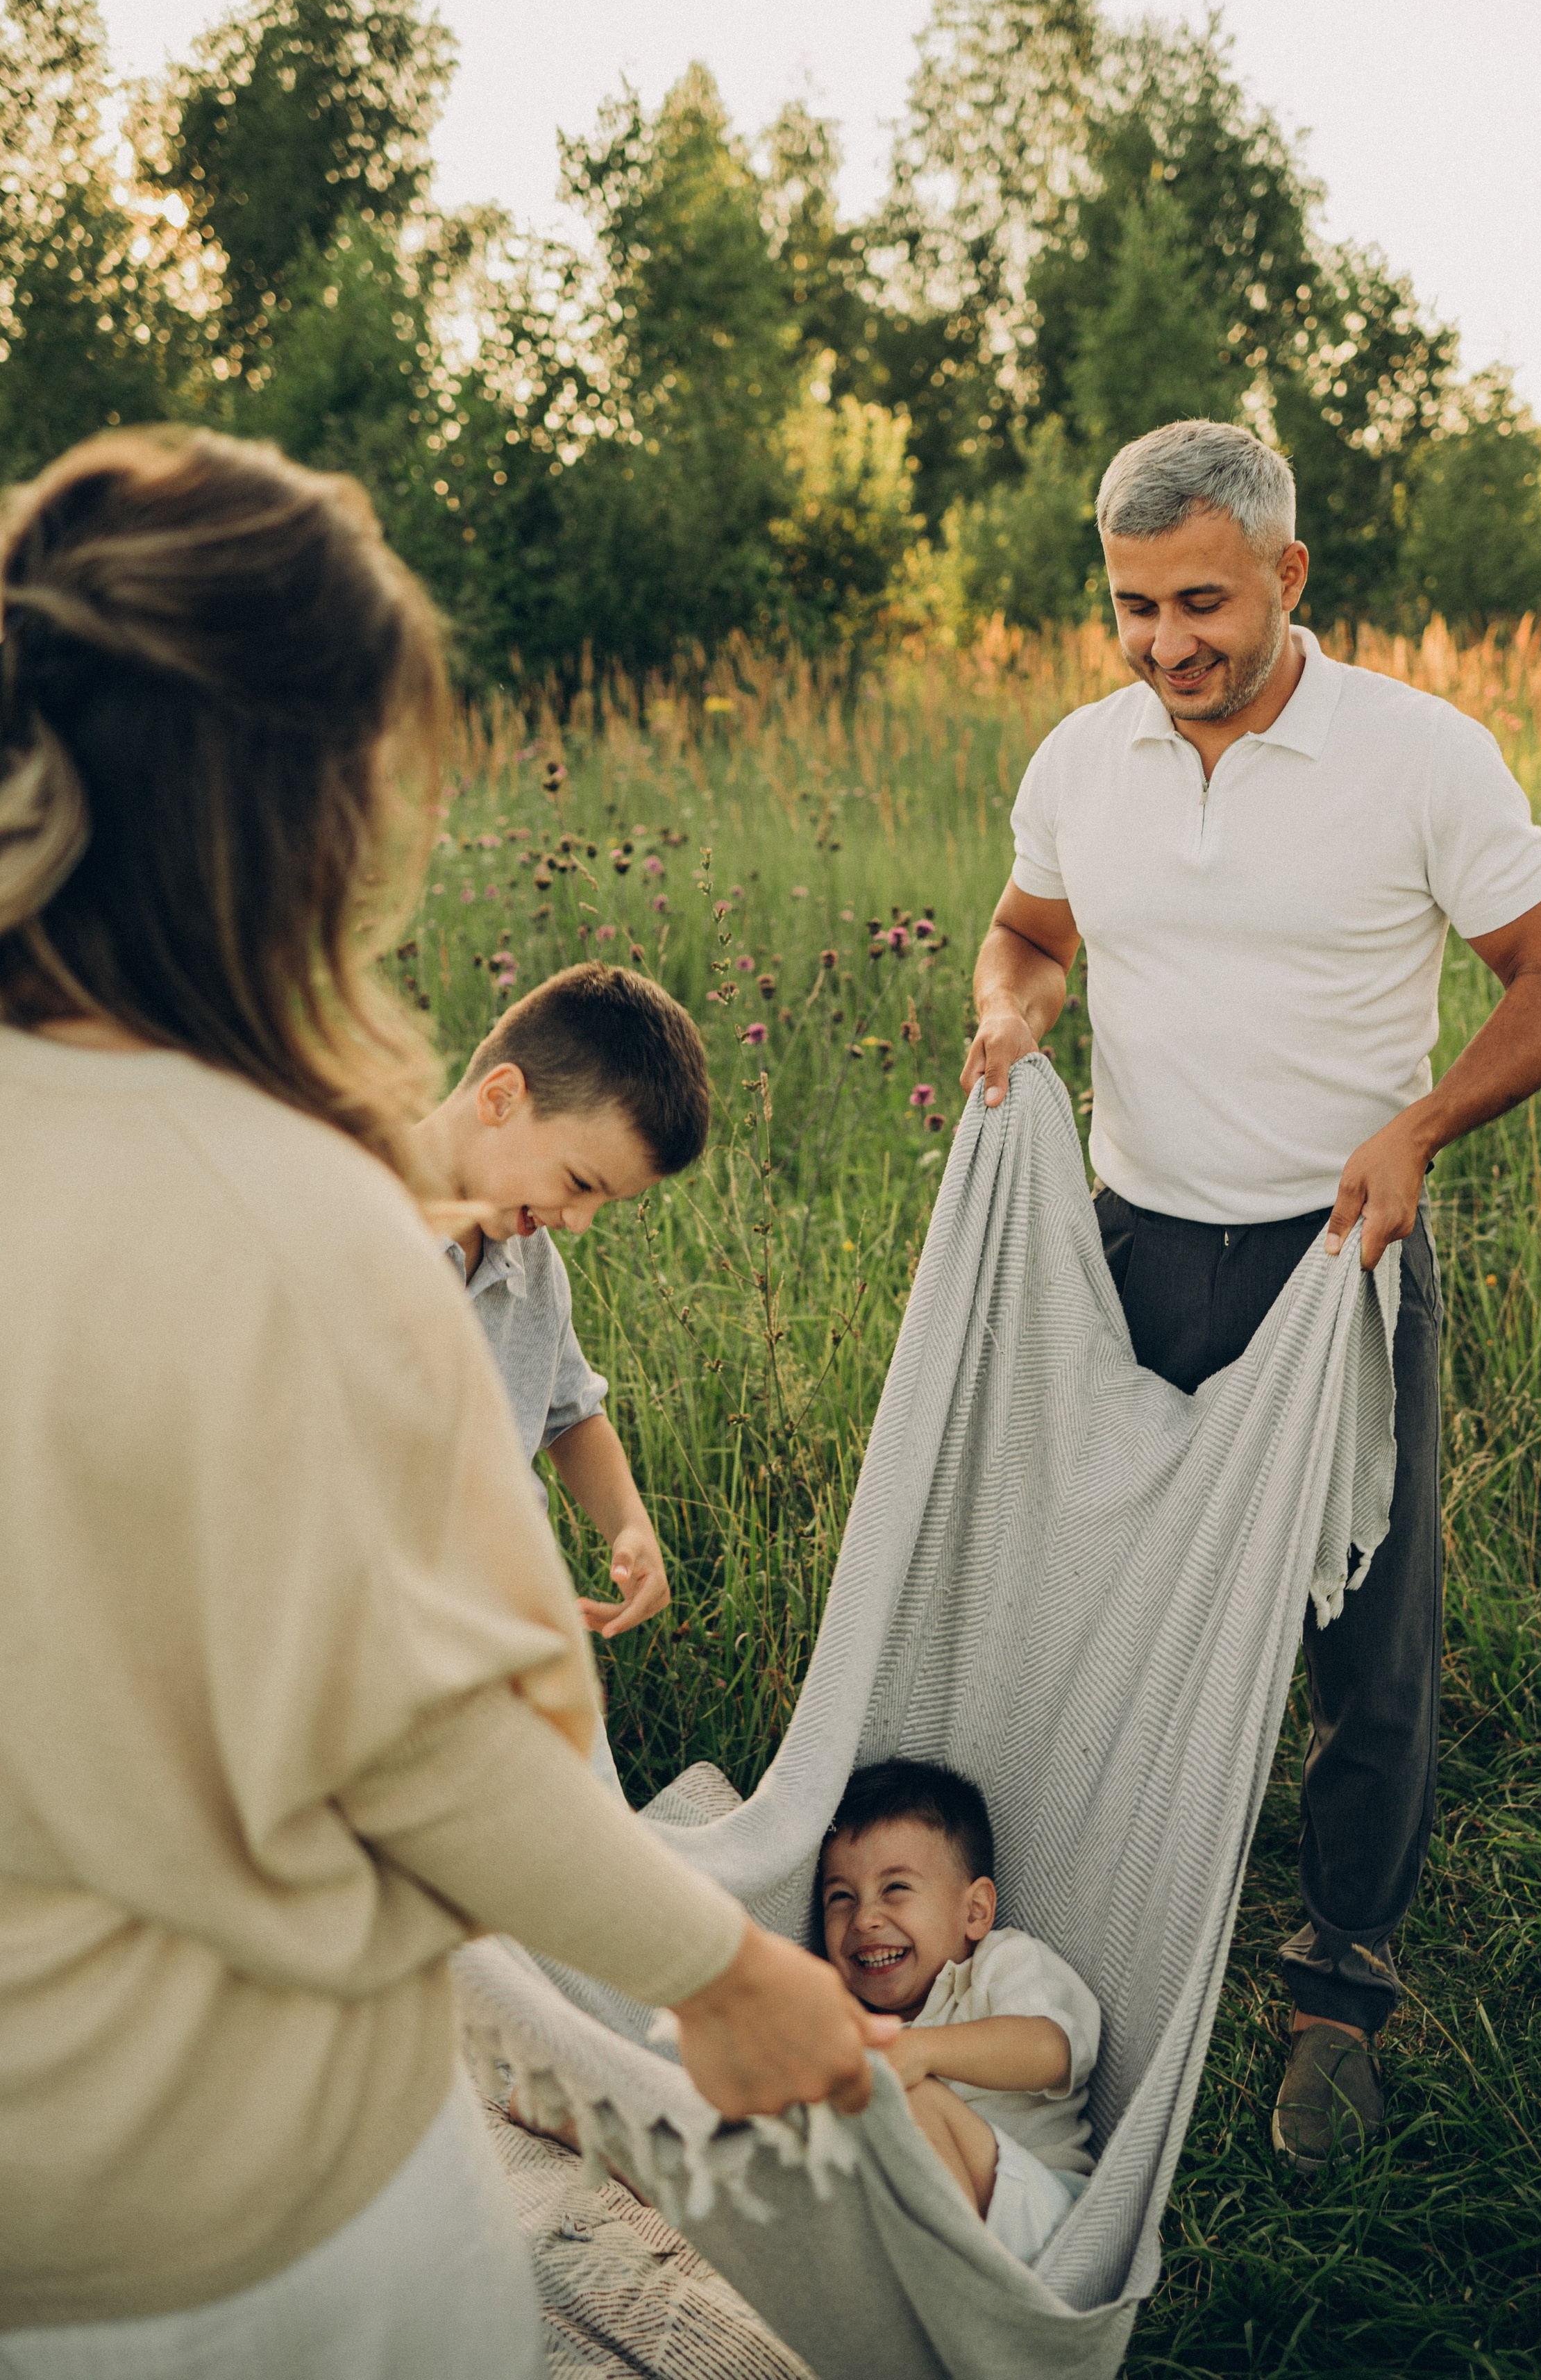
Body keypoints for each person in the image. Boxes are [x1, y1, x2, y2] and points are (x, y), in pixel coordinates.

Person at [0, 428, 893, 2379]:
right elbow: (425, 1742)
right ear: (300, 814)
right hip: (242, 2217)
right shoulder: (294, 1223)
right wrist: (726, 1971)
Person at [961, 419, 1541, 2174]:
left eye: (1198, 602)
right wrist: (1013, 1005)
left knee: (1364, 1645)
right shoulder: (1085, 760)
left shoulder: (1416, 756)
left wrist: (1418, 1123)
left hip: (1339, 1259)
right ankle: (1086, 1940)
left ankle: (1336, 1998)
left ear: (1286, 575)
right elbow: (1026, 928)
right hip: (1133, 1246)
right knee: (1104, 1604)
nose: (1165, 643)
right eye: (1130, 607)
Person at [412, 964, 697, 1792]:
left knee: (582, 1869)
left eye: (604, 1202)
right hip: (399, 1652)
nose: (577, 1220)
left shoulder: (533, 1266)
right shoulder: (355, 1234)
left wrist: (629, 1527)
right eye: (579, 1183)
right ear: (500, 1097)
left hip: (520, 1637)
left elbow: (571, 1414)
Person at [818, 1761, 1100, 2265]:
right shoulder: (842, 2018)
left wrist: (917, 2052)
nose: (864, 1919)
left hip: (1040, 2215)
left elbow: (1049, 2050)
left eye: (895, 1889)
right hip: (908, 2227)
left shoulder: (1001, 1963)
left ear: (974, 1912)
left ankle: (959, 2305)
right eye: (841, 1897)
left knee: (909, 2097)